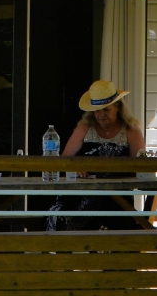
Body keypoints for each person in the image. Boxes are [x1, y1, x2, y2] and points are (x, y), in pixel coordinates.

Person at [49, 80, 148, 230]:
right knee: (58, 213)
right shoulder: (85, 127)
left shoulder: (130, 130)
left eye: (106, 110)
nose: (101, 115)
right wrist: (75, 168)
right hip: (81, 194)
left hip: (117, 197)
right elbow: (65, 159)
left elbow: (140, 166)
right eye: (97, 111)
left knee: (122, 222)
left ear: (118, 107)